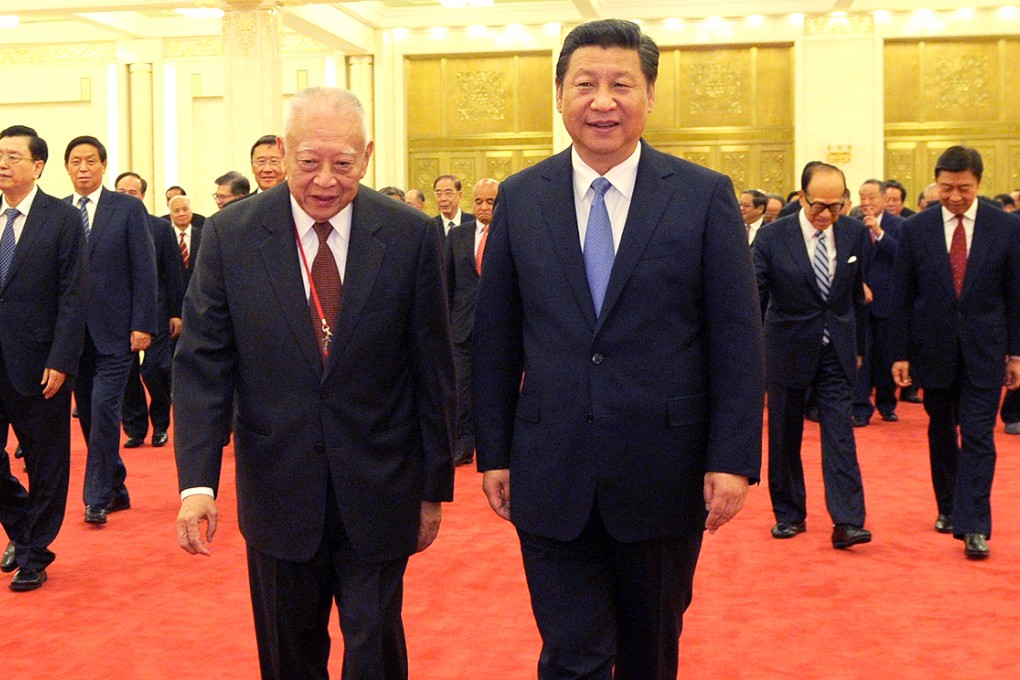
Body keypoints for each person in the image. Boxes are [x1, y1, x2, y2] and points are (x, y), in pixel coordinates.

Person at [472, 20, 764, 679]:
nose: (603, 101)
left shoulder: (702, 195)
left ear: (650, 96)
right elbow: (494, 340)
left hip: (665, 471)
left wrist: (734, 458)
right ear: (559, 95)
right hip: (550, 470)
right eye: (585, 84)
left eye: (621, 84)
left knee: (648, 653)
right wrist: (494, 451)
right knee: (571, 652)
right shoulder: (521, 197)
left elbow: (737, 341)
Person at [174, 86, 455, 679]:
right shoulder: (232, 235)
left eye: (343, 164)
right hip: (278, 487)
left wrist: (432, 489)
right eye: (308, 162)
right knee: (288, 652)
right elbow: (204, 365)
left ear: (368, 155)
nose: (325, 180)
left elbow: (432, 367)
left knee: (374, 649)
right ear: (282, 150)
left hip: (380, 484)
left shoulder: (408, 235)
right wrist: (197, 483)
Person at [891, 145, 1020, 560]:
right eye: (947, 187)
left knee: (979, 435)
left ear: (979, 183)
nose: (955, 196)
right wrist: (900, 353)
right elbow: (901, 296)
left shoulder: (1006, 228)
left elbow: (1015, 296)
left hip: (986, 349)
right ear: (936, 183)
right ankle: (948, 506)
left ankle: (974, 525)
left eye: (964, 188)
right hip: (935, 349)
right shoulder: (916, 229)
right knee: (941, 430)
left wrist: (1016, 354)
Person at [753, 162, 872, 549]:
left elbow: (855, 298)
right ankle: (789, 513)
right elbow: (755, 297)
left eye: (836, 206)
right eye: (819, 205)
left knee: (841, 435)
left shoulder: (854, 234)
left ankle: (848, 520)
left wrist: (857, 349)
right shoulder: (772, 238)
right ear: (801, 197)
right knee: (785, 435)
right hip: (787, 348)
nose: (827, 215)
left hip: (836, 349)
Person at [0, 125, 88, 590]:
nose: (3, 163)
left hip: (39, 363)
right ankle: (24, 527)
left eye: (13, 156)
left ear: (37, 167)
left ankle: (34, 554)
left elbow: (74, 294)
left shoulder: (62, 219)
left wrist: (62, 358)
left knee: (47, 462)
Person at [65, 135, 158, 525]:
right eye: (75, 161)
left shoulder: (126, 209)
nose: (83, 167)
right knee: (87, 413)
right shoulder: (59, 213)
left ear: (103, 166)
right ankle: (116, 486)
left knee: (104, 409)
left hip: (117, 332)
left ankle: (96, 496)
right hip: (72, 335)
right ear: (66, 168)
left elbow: (144, 268)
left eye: (90, 161)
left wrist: (143, 324)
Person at [114, 172, 184, 451]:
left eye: (132, 191)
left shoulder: (160, 228)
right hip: (118, 314)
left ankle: (161, 424)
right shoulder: (107, 227)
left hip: (156, 312)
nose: (126, 195)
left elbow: (174, 273)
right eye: (121, 190)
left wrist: (176, 312)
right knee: (127, 375)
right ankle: (135, 428)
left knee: (155, 369)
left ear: (143, 195)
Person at [445, 178, 497, 466]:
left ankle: (492, 445)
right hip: (461, 327)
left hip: (497, 328)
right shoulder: (458, 236)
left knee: (492, 389)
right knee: (461, 389)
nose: (484, 207)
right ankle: (462, 445)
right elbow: (448, 283)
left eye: (490, 201)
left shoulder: (510, 233)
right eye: (479, 201)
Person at [852, 179, 904, 427]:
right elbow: (849, 260)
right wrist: (859, 282)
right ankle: (861, 408)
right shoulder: (853, 225)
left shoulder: (900, 225)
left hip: (888, 301)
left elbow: (902, 257)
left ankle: (886, 404)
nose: (866, 203)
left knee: (885, 357)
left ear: (884, 198)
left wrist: (879, 234)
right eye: (863, 197)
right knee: (862, 356)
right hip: (860, 301)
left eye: (871, 197)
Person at [432, 175, 473, 243]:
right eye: (438, 194)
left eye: (448, 193)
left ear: (460, 195)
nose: (443, 199)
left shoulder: (473, 222)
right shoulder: (431, 226)